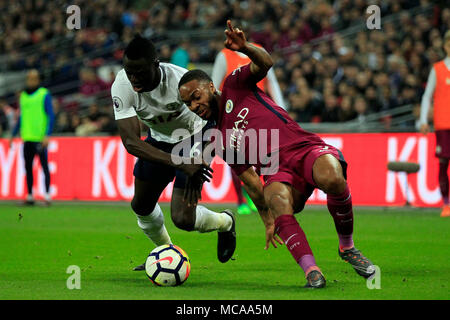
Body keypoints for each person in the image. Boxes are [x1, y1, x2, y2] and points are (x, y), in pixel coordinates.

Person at [178, 21, 375, 288]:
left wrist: (246, 47)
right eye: (188, 103)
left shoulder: (235, 84)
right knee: (275, 199)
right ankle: (312, 271)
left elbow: (266, 64)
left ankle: (347, 247)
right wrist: (266, 220)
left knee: (332, 177)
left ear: (211, 87)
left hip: (301, 146)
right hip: (274, 170)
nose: (194, 105)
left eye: (196, 96)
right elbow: (249, 179)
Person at [111, 34, 236, 271]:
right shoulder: (122, 86)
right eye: (129, 72)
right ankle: (165, 252)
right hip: (160, 140)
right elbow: (130, 142)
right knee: (141, 205)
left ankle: (226, 222)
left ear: (155, 64)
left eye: (140, 72)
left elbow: (215, 110)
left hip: (196, 136)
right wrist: (179, 162)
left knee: (183, 219)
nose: (134, 78)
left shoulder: (179, 81)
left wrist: (203, 154)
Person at [211, 26, 285, 216]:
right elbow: (213, 83)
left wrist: (282, 109)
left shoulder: (260, 52)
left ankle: (254, 194)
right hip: (231, 114)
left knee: (258, 157)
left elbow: (272, 82)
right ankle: (240, 200)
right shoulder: (224, 56)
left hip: (256, 112)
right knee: (235, 157)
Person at [9, 69, 55, 205]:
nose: (31, 81)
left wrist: (48, 134)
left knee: (44, 166)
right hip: (27, 137)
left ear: (38, 80)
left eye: (34, 78)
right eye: (29, 78)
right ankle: (30, 195)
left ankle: (47, 195)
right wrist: (13, 135)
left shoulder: (44, 94)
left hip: (40, 138)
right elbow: (22, 117)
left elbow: (51, 115)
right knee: (28, 167)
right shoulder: (23, 96)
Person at [419, 30, 450, 218]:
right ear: (446, 45)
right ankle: (446, 203)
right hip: (443, 124)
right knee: (443, 162)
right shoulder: (437, 69)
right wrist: (423, 120)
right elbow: (427, 96)